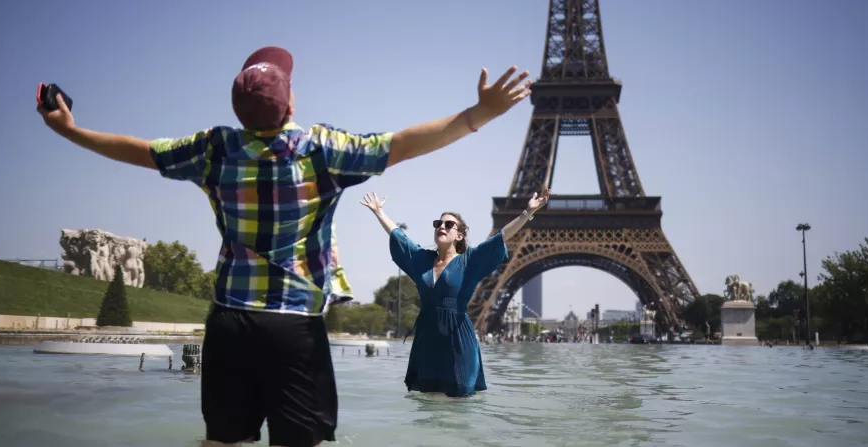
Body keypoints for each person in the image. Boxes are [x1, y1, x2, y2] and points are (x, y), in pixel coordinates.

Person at [35, 46, 531, 447]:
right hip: (295, 325)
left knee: (223, 442)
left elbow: (140, 150)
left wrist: (71, 131)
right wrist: (478, 114)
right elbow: (404, 143)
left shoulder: (215, 148)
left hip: (229, 320)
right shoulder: (321, 150)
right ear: (291, 105)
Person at [360, 187, 550, 398]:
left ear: (459, 235)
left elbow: (500, 237)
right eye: (438, 223)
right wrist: (379, 212)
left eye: (448, 224)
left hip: (458, 340)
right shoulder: (422, 260)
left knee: (458, 408)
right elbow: (399, 237)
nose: (442, 226)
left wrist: (527, 213)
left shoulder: (470, 261)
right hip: (427, 340)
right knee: (428, 406)